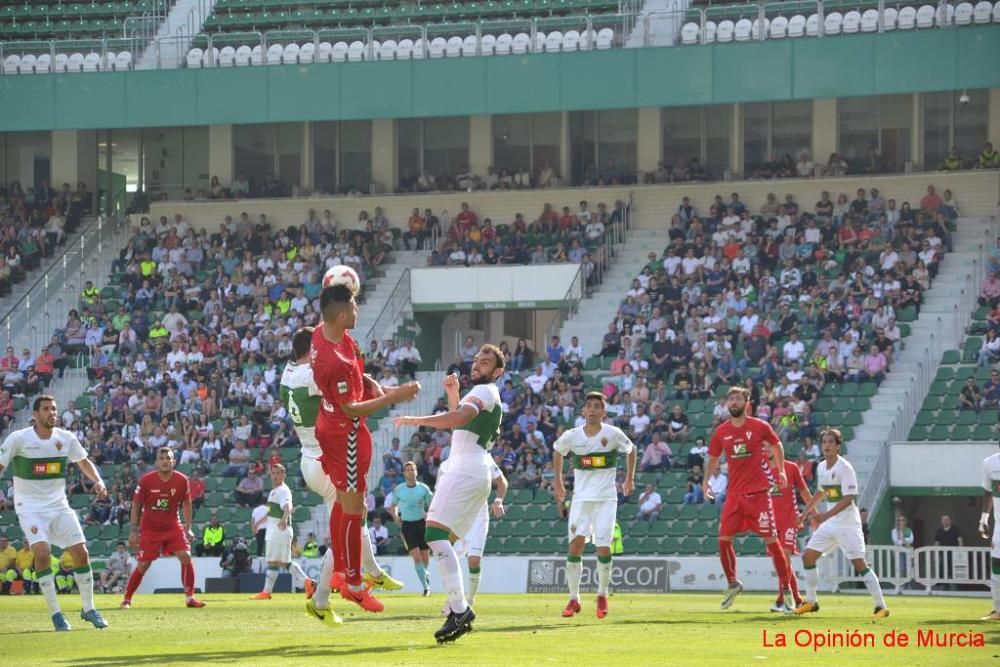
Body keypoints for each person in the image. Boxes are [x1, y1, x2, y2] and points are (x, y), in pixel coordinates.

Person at [281, 328, 402, 627]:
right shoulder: (311, 374)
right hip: (323, 457)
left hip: (311, 456)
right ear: (311, 350)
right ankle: (349, 583)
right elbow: (350, 396)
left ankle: (348, 583)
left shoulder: (288, 372)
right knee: (349, 519)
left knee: (355, 513)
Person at [311, 282, 420, 613]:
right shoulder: (336, 361)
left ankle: (343, 576)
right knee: (354, 507)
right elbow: (352, 408)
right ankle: (355, 584)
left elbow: (360, 381)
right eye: (355, 308)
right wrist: (394, 397)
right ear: (342, 314)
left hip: (330, 426)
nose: (358, 311)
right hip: (345, 433)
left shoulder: (324, 333)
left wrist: (381, 386)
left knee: (346, 505)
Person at [392, 345, 506, 644]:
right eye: (478, 359)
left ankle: (459, 608)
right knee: (444, 540)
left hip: (466, 469)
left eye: (486, 362)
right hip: (474, 468)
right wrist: (454, 394)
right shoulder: (484, 395)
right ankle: (457, 607)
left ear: (498, 371)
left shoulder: (484, 392)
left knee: (433, 535)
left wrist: (417, 421)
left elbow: (457, 419)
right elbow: (462, 422)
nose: (478, 364)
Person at [0, 395, 109, 630]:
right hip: (29, 507)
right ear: (35, 414)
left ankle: (89, 609)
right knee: (42, 553)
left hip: (59, 506)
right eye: (47, 409)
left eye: (54, 409)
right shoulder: (18, 439)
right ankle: (56, 614)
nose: (52, 413)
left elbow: (84, 461)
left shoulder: (65, 438)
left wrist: (98, 481)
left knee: (81, 553)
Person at [702, 386, 792, 611]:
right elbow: (712, 457)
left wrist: (780, 470)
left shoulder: (760, 426)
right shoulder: (721, 431)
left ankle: (787, 589)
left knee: (772, 542)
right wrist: (706, 481)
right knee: (723, 540)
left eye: (737, 398)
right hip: (734, 496)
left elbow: (777, 445)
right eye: (730, 398)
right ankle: (733, 583)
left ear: (747, 403)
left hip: (759, 495)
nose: (733, 402)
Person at [552, 391, 636, 619]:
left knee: (603, 547)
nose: (592, 410)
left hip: (606, 500)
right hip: (580, 500)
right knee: (575, 547)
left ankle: (602, 594)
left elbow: (631, 449)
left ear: (603, 412)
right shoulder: (572, 436)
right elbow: (558, 451)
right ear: (583, 411)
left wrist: (629, 478)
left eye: (597, 406)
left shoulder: (613, 434)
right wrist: (558, 481)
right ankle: (573, 598)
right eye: (589, 406)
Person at [794, 428, 889, 618]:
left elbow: (848, 499)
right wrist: (805, 513)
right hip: (830, 524)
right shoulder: (821, 467)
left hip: (847, 524)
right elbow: (821, 493)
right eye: (824, 442)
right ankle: (811, 602)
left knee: (859, 564)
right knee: (808, 557)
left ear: (838, 446)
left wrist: (824, 516)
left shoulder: (845, 468)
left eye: (831, 442)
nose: (827, 445)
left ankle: (881, 606)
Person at [120, 447, 205, 609]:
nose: (165, 461)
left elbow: (187, 503)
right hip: (150, 528)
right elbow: (136, 505)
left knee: (185, 556)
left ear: (174, 461)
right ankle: (127, 599)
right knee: (143, 564)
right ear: (156, 462)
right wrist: (133, 530)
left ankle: (190, 598)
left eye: (168, 458)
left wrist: (188, 528)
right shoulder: (146, 481)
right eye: (162, 458)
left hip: (173, 525)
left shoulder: (182, 480)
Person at [448, 459, 507, 612]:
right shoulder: (457, 459)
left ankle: (469, 600)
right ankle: (455, 599)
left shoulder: (485, 459)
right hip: (460, 515)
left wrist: (498, 501)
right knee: (451, 560)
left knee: (474, 560)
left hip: (479, 517)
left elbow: (502, 482)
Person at [249, 464, 311, 600]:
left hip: (279, 531)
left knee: (278, 562)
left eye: (278, 473)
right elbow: (271, 512)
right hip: (274, 531)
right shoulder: (274, 491)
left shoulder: (283, 490)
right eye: (273, 473)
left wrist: (284, 519)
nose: (275, 476)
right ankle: (307, 583)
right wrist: (258, 523)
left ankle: (268, 592)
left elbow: (288, 506)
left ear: (284, 475)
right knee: (280, 562)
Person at [769, 459, 812, 612]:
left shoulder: (791, 467)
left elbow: (804, 491)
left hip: (789, 520)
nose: (766, 450)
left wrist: (814, 513)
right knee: (781, 563)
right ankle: (796, 600)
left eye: (770, 446)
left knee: (785, 558)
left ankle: (783, 600)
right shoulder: (761, 469)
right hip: (771, 523)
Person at [389, 460, 434, 595]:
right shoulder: (399, 489)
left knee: (425, 558)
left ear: (416, 472)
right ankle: (426, 588)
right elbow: (393, 506)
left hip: (422, 524)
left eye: (412, 469)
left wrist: (428, 514)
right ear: (404, 473)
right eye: (407, 469)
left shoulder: (424, 489)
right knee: (417, 558)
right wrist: (396, 516)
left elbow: (432, 505)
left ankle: (425, 575)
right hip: (407, 526)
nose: (410, 471)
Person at [979, 446, 1000, 620]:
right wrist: (984, 519)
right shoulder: (990, 463)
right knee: (996, 563)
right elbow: (988, 491)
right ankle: (998, 610)